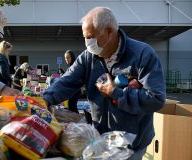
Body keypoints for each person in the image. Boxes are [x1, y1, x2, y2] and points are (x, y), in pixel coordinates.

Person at [43, 7, 165, 159]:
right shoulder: (88, 57)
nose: (88, 43)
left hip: (132, 144)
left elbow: (156, 99)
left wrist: (116, 93)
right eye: (85, 38)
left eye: (91, 37)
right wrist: (45, 100)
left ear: (109, 31)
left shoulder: (142, 55)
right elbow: (67, 81)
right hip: (100, 140)